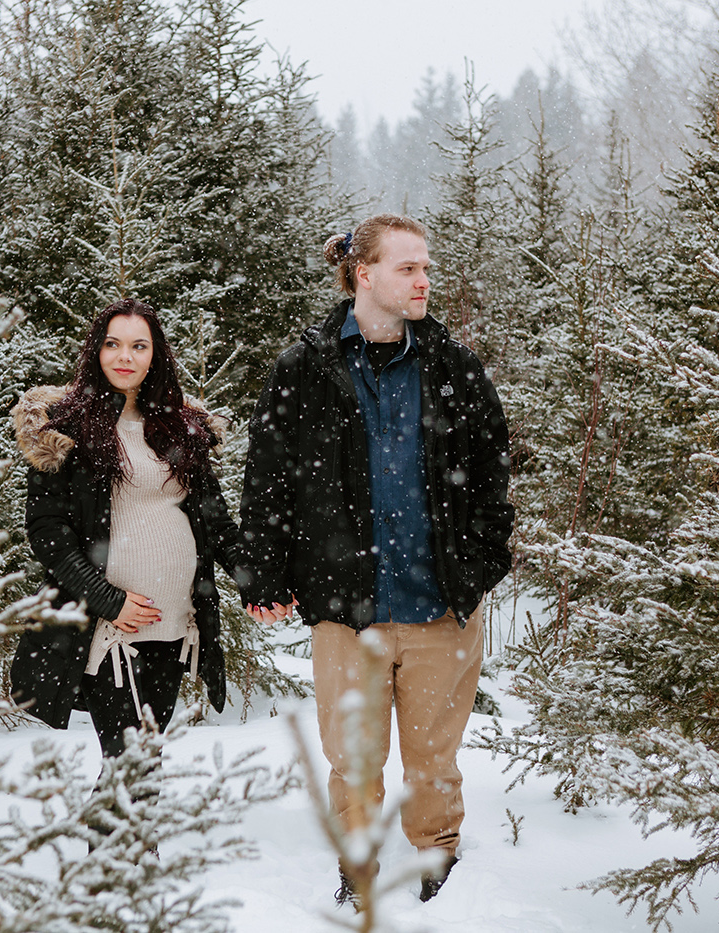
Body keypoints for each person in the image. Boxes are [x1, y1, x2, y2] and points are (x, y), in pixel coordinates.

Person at [240, 214, 514, 904]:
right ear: (365, 274)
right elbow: (268, 473)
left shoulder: (452, 363)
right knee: (352, 758)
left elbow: (490, 472)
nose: (424, 281)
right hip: (347, 603)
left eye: (426, 267)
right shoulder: (306, 364)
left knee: (434, 758)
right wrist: (266, 572)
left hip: (438, 601)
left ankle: (435, 853)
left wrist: (479, 564)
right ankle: (357, 860)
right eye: (408, 268)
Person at [9, 298, 248, 758]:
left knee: (143, 764)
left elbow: (215, 523)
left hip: (175, 623)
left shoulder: (181, 428)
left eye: (139, 346)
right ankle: (118, 834)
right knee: (132, 765)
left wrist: (259, 581)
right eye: (113, 344)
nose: (125, 357)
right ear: (95, 352)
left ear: (155, 354)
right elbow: (47, 531)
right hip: (110, 629)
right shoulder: (64, 428)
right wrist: (108, 600)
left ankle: (127, 835)